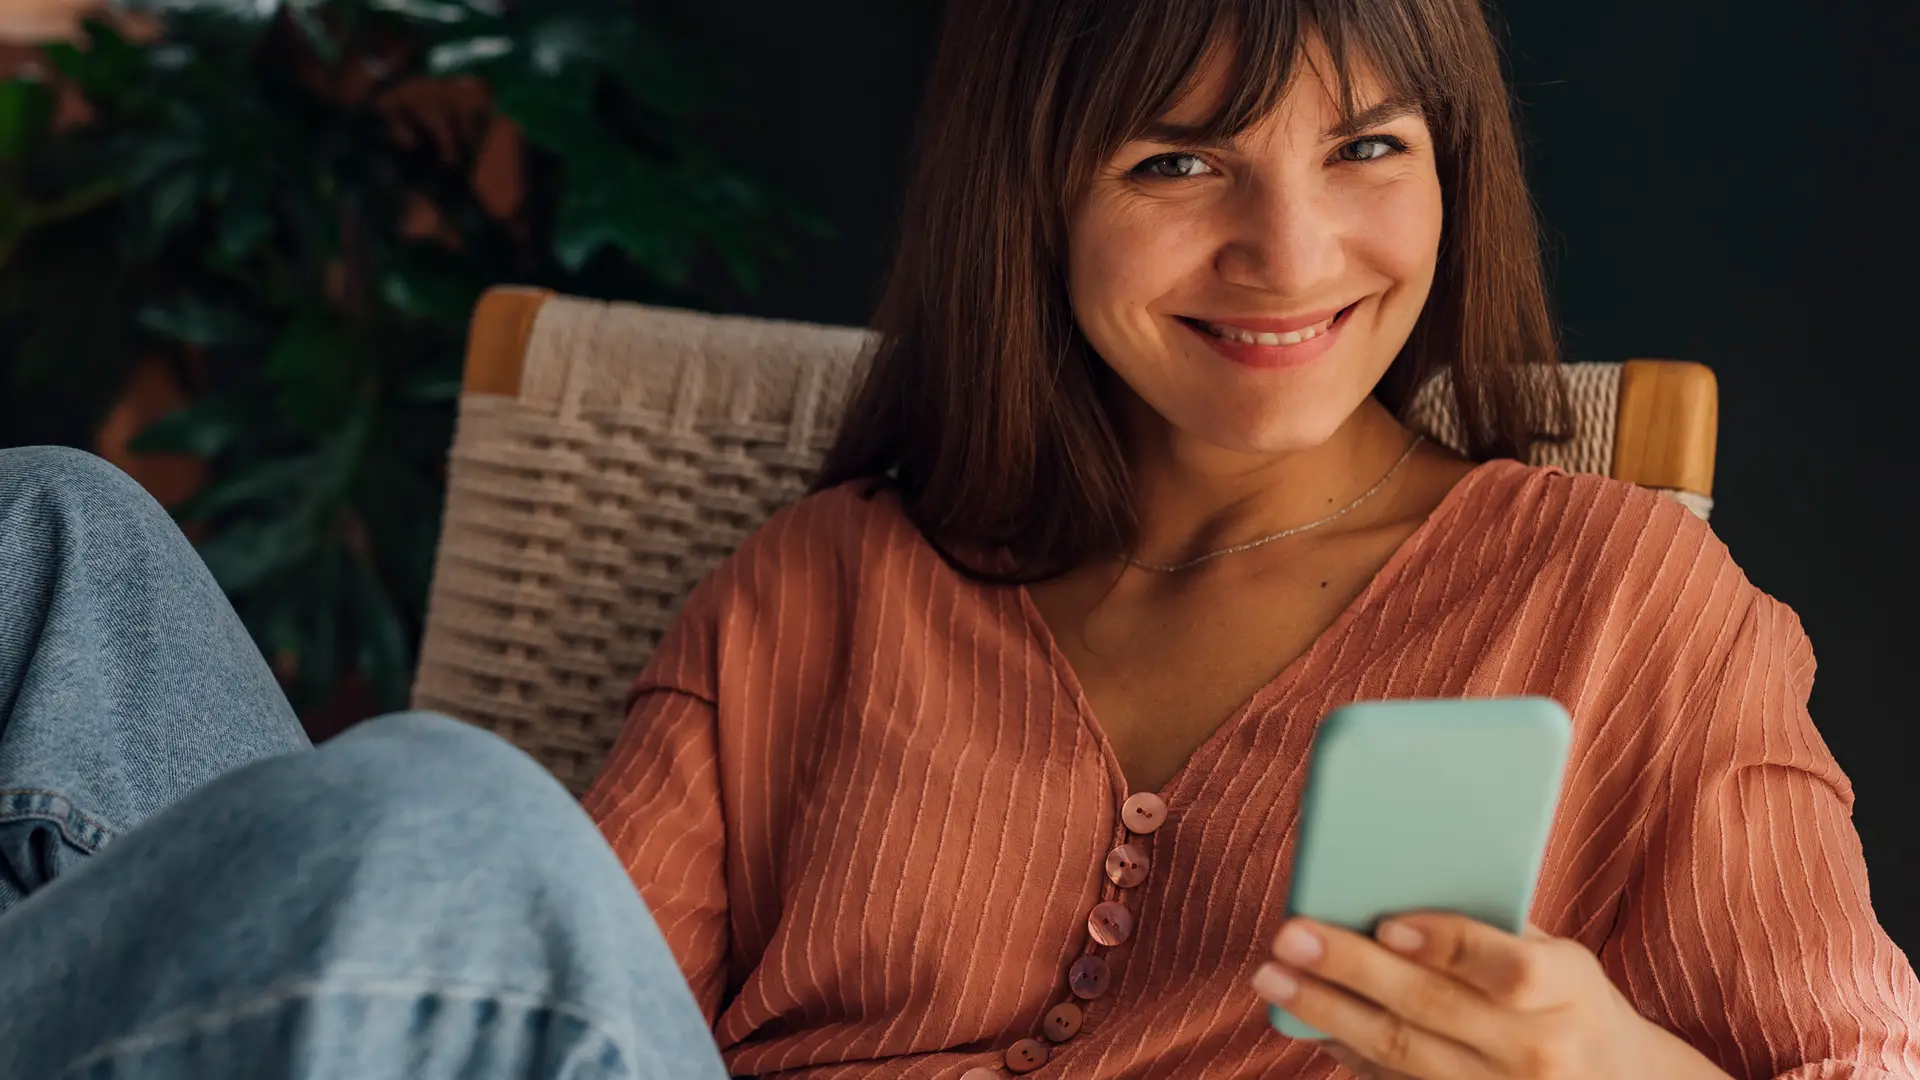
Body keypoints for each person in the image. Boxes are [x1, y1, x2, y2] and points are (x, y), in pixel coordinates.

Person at [0, 0, 1914, 1079]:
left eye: (1369, 148)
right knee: (52, 529)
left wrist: (1620, 1073)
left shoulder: (1626, 600)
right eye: (1181, 161)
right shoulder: (824, 583)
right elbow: (548, 999)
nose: (1294, 253)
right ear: (1037, 204)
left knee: (440, 816)